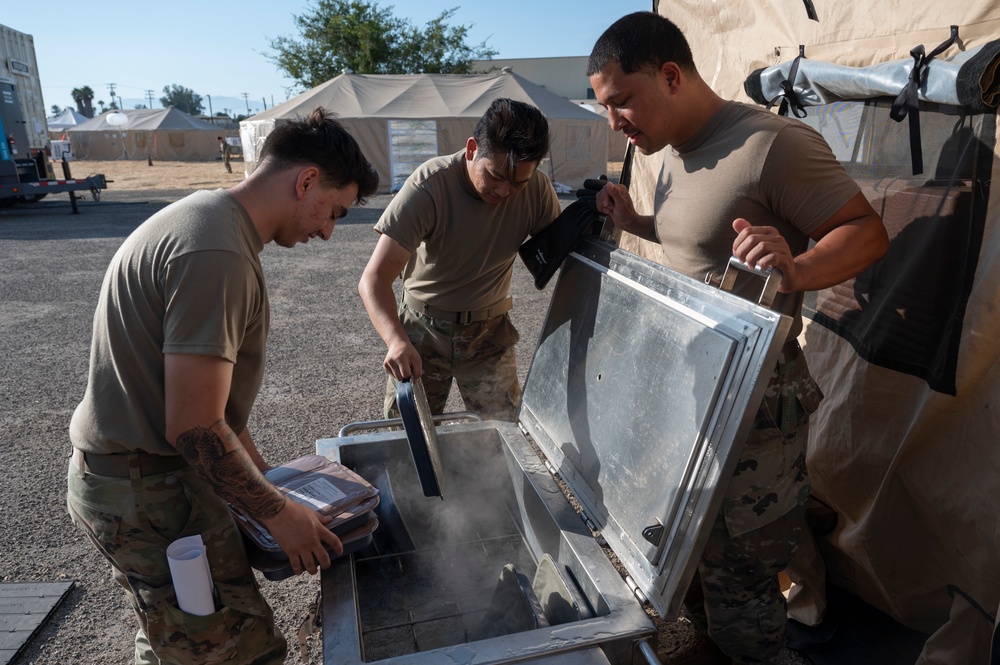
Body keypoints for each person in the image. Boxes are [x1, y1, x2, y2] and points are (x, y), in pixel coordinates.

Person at [587, 12, 889, 665]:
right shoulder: (667, 156)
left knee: (745, 585)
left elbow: (866, 231)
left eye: (620, 102)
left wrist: (799, 268)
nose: (614, 121)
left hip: (755, 408)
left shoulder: (771, 144)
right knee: (689, 559)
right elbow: (696, 239)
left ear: (670, 76)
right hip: (686, 398)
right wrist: (634, 214)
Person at [67, 108, 378, 665]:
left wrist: (273, 489)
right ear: (306, 181)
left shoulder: (213, 224)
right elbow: (193, 425)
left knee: (177, 634)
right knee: (232, 650)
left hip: (148, 481)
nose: (329, 230)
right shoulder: (217, 251)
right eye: (334, 211)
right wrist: (280, 515)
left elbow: (219, 415)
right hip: (149, 491)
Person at [359, 97, 561, 421]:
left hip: (489, 336)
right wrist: (396, 342)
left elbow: (561, 253)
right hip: (423, 332)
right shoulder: (430, 186)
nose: (504, 191)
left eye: (518, 183)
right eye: (495, 175)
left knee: (503, 438)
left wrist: (594, 214)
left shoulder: (536, 189)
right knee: (403, 438)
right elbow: (374, 278)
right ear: (471, 149)